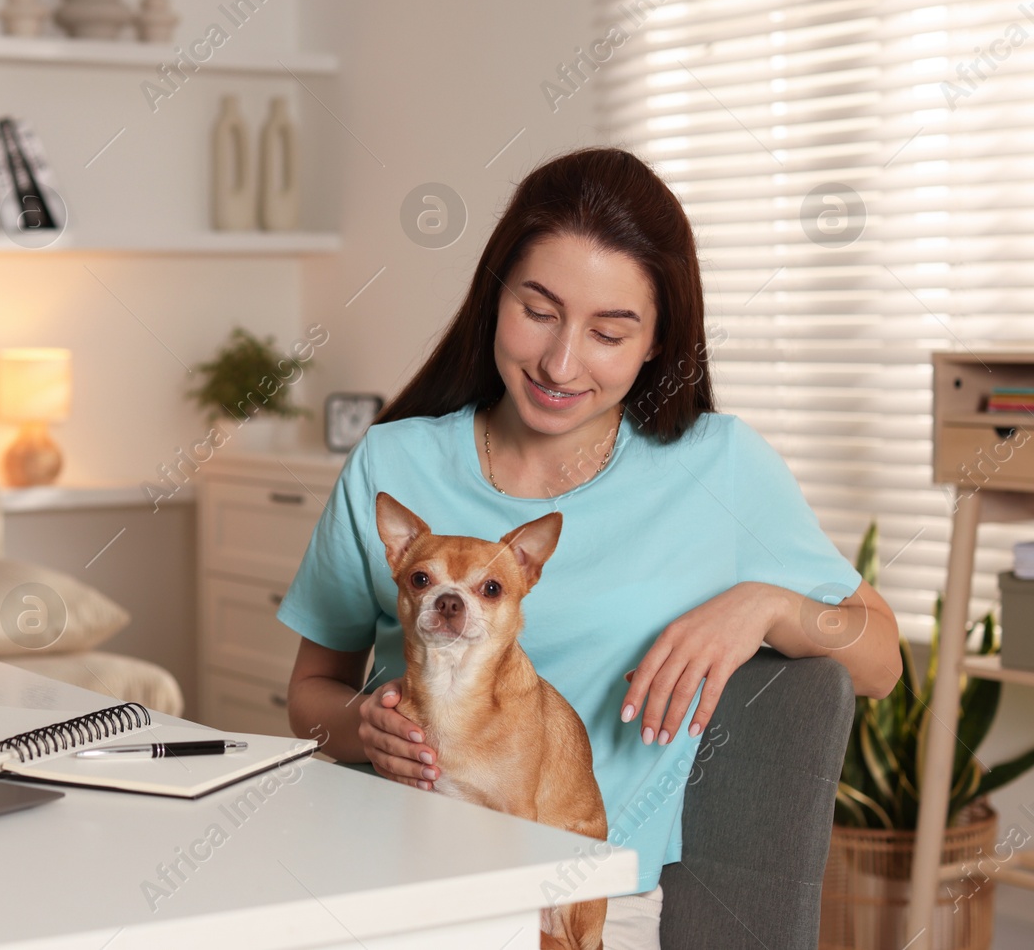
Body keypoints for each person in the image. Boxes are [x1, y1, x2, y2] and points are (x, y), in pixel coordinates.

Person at [276, 147, 902, 950]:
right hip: (391, 882)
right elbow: (311, 693)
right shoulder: (391, 463)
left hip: (574, 909)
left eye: (610, 331)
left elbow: (880, 656)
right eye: (538, 311)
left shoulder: (720, 466)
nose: (560, 363)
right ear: (493, 294)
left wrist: (767, 605)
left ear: (656, 342)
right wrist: (365, 728)